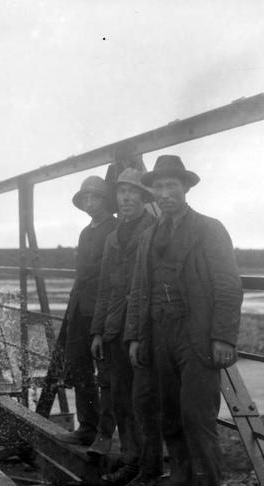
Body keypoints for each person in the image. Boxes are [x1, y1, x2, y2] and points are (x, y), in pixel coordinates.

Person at [126, 155, 243, 486]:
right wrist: (135, 335)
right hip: (159, 335)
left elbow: (228, 285)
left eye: (172, 186)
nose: (165, 193)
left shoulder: (210, 229)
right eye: (159, 186)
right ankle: (180, 479)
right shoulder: (149, 236)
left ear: (186, 188)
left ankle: (208, 483)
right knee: (171, 416)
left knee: (197, 417)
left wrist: (223, 337)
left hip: (197, 336)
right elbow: (138, 289)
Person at [88, 168, 162, 486]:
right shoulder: (113, 238)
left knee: (145, 401)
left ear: (145, 197)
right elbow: (105, 289)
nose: (127, 197)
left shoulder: (157, 230)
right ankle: (133, 461)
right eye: (121, 192)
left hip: (144, 330)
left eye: (133, 191)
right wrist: (97, 331)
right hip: (116, 329)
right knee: (121, 399)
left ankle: (150, 467)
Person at [57, 175, 116, 447]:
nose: (90, 203)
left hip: (101, 311)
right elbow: (81, 276)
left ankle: (105, 433)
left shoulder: (115, 230)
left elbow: (111, 277)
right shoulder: (85, 232)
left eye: (95, 197)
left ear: (106, 200)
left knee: (105, 375)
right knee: (80, 370)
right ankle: (87, 427)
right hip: (80, 309)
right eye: (86, 199)